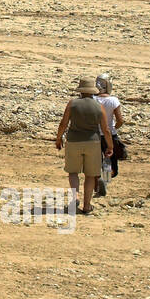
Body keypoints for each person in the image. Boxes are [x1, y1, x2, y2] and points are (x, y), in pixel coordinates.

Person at [55, 77, 114, 214]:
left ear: (80, 91)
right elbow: (105, 129)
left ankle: (75, 196)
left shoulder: (72, 104)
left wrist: (58, 139)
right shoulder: (99, 106)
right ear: (93, 91)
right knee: (90, 175)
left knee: (73, 172)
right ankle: (87, 206)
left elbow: (63, 124)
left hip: (73, 141)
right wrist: (110, 146)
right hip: (93, 142)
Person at [94, 73, 126, 195]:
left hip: (94, 134)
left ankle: (98, 181)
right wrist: (114, 129)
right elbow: (120, 120)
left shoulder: (93, 99)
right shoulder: (113, 100)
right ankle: (105, 180)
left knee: (96, 160)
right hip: (109, 134)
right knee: (110, 160)